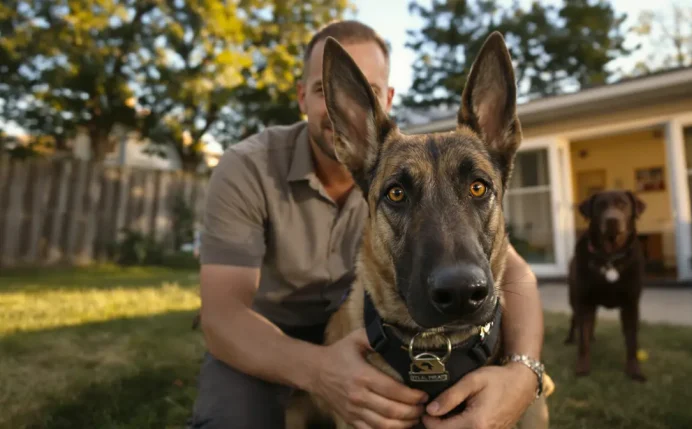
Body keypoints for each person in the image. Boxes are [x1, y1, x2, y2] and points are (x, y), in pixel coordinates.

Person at [188, 20, 545, 429]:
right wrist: (321, 371)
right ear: (304, 96)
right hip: (267, 332)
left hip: (361, 326)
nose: (353, 105)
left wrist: (524, 371)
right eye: (325, 89)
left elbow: (517, 272)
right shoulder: (249, 168)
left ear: (386, 98)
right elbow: (221, 317)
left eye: (371, 91)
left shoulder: (415, 161)